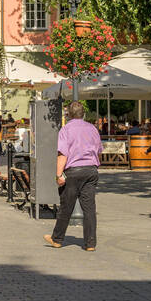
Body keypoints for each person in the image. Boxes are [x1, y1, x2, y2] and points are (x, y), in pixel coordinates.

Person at [45, 101, 102, 250]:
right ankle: (90, 243)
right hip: (91, 170)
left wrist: (58, 175)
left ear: (69, 114)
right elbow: (99, 150)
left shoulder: (66, 129)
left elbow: (62, 154)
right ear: (83, 114)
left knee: (66, 206)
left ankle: (57, 239)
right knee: (89, 208)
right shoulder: (92, 129)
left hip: (74, 171)